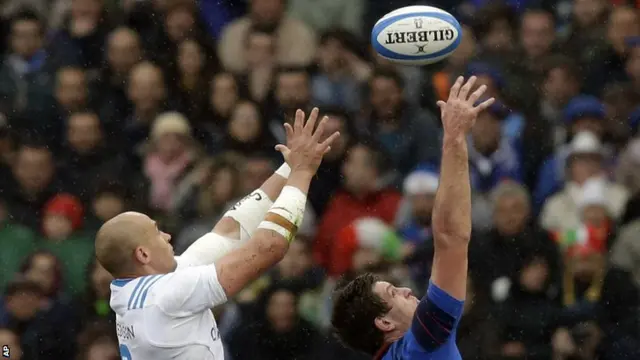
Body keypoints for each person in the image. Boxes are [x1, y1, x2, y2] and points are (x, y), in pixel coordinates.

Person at [95, 107, 339, 359]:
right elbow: (269, 247)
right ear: (143, 254)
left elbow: (229, 232)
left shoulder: (146, 286)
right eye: (157, 233)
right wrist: (302, 173)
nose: (167, 236)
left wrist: (289, 168)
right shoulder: (164, 296)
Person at [331, 76, 495, 360]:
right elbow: (450, 238)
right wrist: (454, 137)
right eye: (393, 293)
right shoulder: (424, 341)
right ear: (385, 323)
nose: (406, 290)